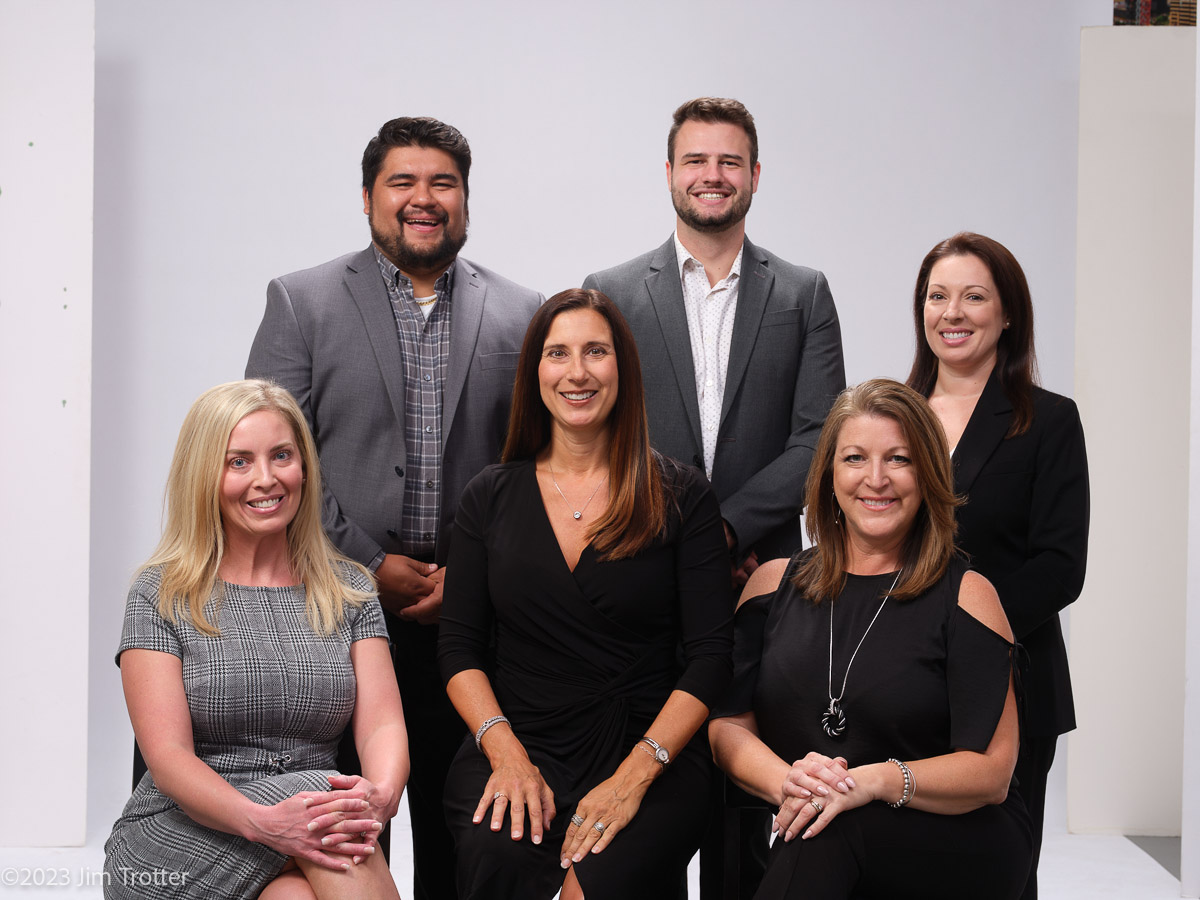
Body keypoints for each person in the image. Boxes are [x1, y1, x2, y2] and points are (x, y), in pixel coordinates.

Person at [246, 116, 543, 900]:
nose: (424, 198)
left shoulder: (523, 311)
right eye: (402, 181)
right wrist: (371, 564)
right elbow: (269, 459)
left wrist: (470, 574)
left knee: (463, 829)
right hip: (332, 610)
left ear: (465, 198)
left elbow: (535, 468)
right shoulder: (301, 302)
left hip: (469, 617)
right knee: (345, 824)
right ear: (368, 196)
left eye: (443, 182)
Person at [437, 289, 734, 899]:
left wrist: (635, 776)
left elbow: (711, 658)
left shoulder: (682, 495)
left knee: (595, 885)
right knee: (495, 853)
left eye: (596, 351)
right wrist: (506, 755)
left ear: (623, 368)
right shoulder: (487, 496)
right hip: (518, 738)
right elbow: (458, 649)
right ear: (534, 372)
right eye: (558, 354)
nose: (577, 372)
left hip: (649, 748)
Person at [709, 379, 1032, 899]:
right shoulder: (770, 587)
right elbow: (728, 726)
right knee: (818, 825)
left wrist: (871, 782)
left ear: (928, 475)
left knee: (822, 829)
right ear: (828, 475)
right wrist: (790, 784)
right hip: (821, 829)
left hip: (954, 839)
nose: (875, 479)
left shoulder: (968, 596)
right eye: (855, 458)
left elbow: (991, 774)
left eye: (899, 459)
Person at [104, 380, 408, 900]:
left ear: (305, 467)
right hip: (181, 834)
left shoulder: (350, 589)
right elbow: (169, 758)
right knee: (321, 797)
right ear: (204, 474)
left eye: (281, 455)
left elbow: (383, 724)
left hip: (308, 831)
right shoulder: (160, 593)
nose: (266, 479)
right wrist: (265, 823)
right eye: (239, 462)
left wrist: (380, 794)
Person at [584, 96, 845, 585]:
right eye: (695, 161)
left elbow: (820, 438)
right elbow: (594, 433)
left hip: (761, 572)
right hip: (639, 563)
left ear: (755, 175)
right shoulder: (609, 293)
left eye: (730, 162)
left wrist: (728, 529)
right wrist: (680, 539)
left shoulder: (804, 294)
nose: (713, 175)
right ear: (669, 173)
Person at [906, 232, 1089, 899]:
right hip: (899, 681)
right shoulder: (891, 415)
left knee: (999, 877)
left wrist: (960, 633)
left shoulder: (1049, 420)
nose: (952, 313)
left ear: (1008, 313)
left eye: (974, 297)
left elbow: (1060, 566)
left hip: (1013, 679)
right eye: (938, 296)